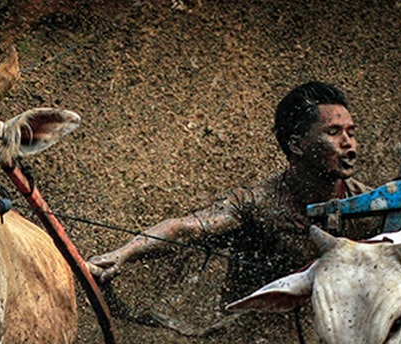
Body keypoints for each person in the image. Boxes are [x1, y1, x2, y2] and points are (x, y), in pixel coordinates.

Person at [87, 81, 382, 304]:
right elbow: (186, 229)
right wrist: (122, 254)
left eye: (351, 132)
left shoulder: (374, 208)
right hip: (249, 339)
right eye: (334, 132)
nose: (349, 144)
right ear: (296, 145)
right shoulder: (256, 203)